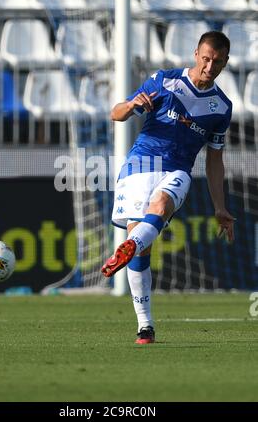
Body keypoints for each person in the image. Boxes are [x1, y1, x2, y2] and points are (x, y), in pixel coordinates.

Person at [101, 31, 235, 344]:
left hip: (178, 170)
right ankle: (145, 326)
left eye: (216, 61)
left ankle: (129, 244)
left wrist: (220, 206)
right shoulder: (164, 81)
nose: (209, 66)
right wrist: (134, 104)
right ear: (196, 54)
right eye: (205, 58)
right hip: (139, 165)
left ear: (225, 63)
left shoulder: (221, 107)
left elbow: (215, 161)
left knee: (161, 206)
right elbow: (116, 113)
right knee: (142, 251)